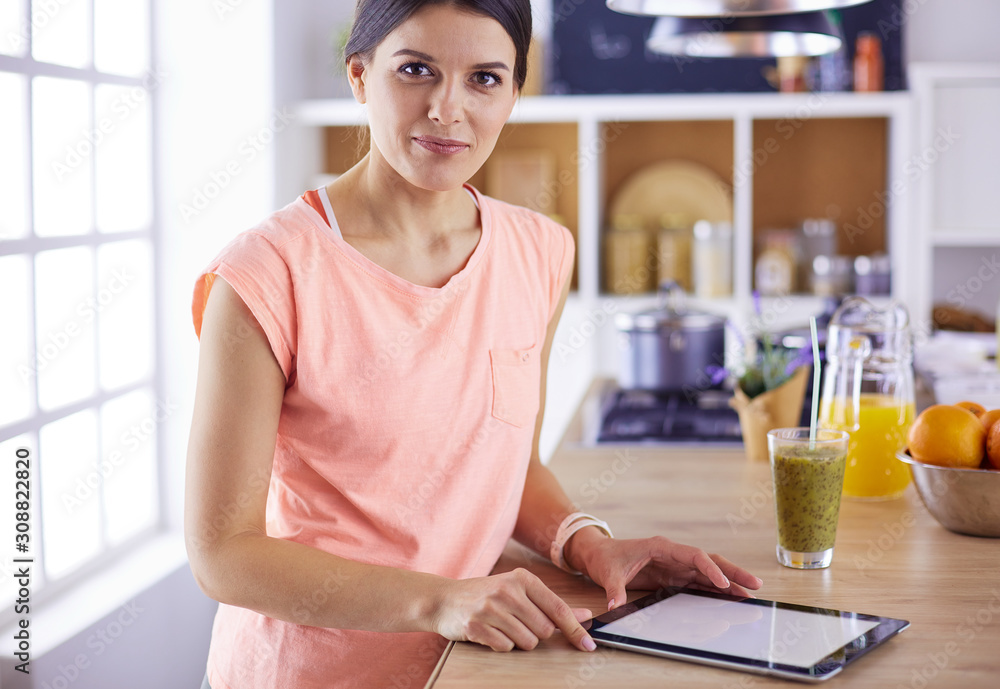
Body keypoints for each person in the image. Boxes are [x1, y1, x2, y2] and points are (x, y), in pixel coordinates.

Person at [185, 1, 763, 687]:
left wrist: (591, 545)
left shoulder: (540, 250)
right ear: (360, 76)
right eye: (416, 70)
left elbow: (508, 466)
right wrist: (442, 598)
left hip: (474, 665)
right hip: (309, 672)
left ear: (515, 93)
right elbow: (224, 553)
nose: (446, 109)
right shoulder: (266, 273)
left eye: (484, 79)